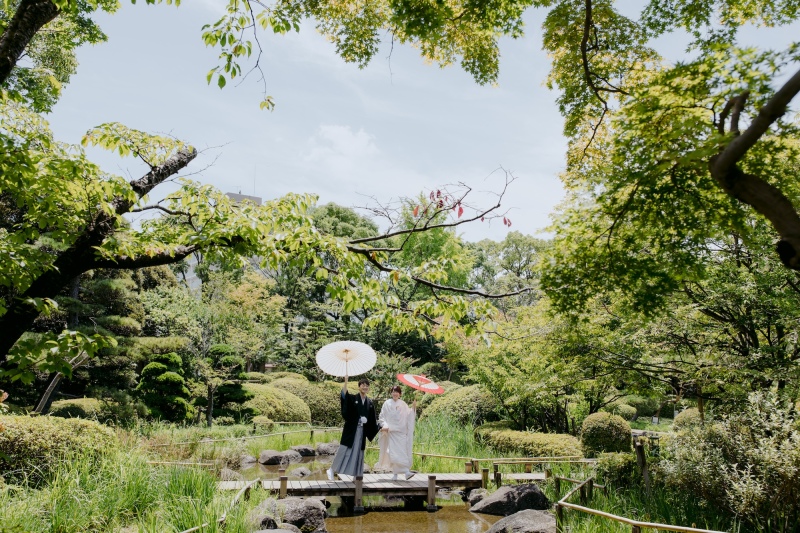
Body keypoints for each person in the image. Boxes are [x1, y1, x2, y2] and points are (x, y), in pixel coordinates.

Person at [327, 374, 379, 480]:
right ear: (359, 387)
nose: (365, 387)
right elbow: (344, 396)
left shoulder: (370, 403)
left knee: (358, 452)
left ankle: (357, 475)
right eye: (363, 385)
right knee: (344, 450)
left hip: (362, 432)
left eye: (367, 385)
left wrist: (377, 426)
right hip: (351, 430)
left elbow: (372, 420)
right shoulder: (353, 398)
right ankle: (332, 469)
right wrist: (346, 381)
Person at [375, 385, 417, 481]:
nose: (395, 393)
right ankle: (403, 472)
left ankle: (401, 472)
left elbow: (409, 415)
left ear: (400, 394)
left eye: (397, 392)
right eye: (393, 391)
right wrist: (385, 425)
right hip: (391, 432)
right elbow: (382, 417)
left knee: (402, 453)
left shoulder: (403, 404)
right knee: (393, 453)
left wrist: (413, 408)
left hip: (401, 432)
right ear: (391, 393)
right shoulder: (386, 403)